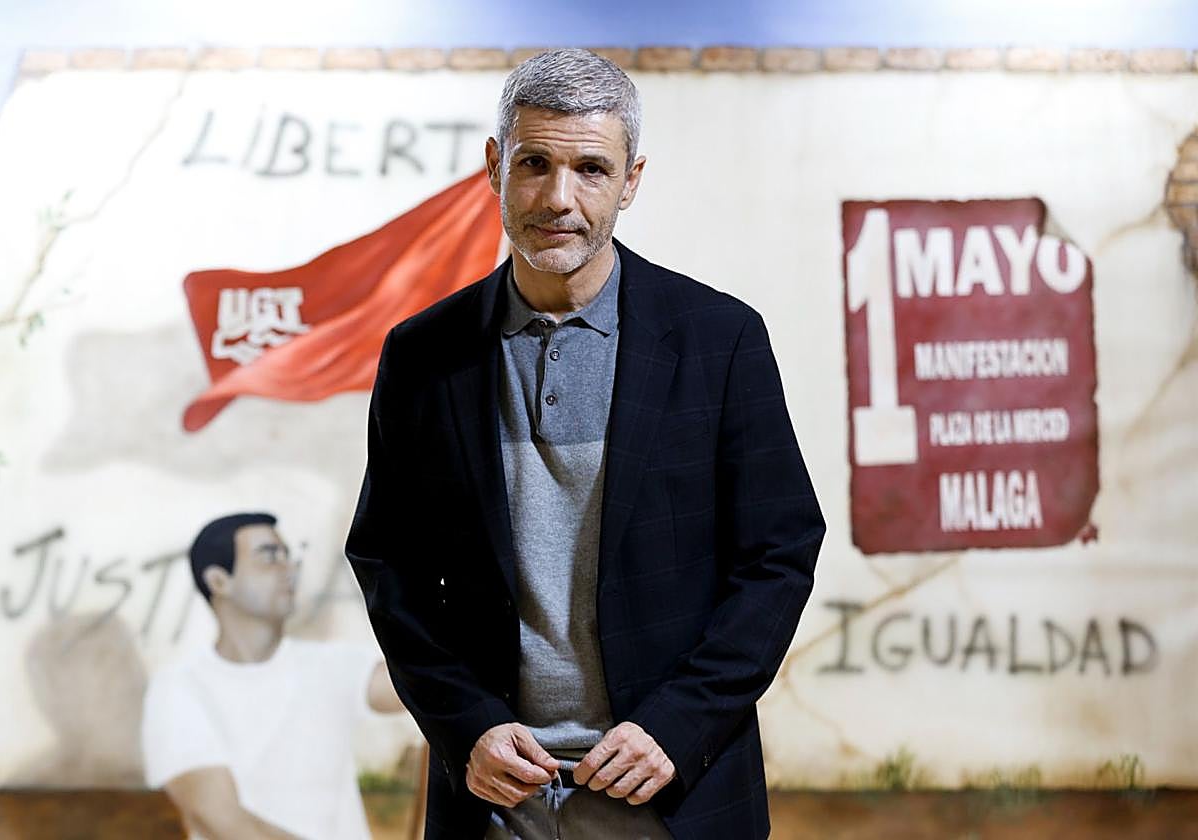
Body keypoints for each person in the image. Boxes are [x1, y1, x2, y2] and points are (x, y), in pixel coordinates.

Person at [346, 48, 824, 839]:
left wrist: (679, 724)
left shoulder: (720, 340)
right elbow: (388, 566)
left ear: (631, 181)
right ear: (496, 166)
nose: (558, 199)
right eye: (534, 163)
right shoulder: (422, 355)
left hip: (673, 791)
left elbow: (778, 554)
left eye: (591, 170)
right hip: (496, 797)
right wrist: (465, 725)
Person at [142, 512, 405, 840]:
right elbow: (222, 821)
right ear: (219, 581)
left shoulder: (332, 665)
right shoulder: (179, 689)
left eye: (287, 556)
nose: (288, 568)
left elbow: (420, 688)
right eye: (268, 557)